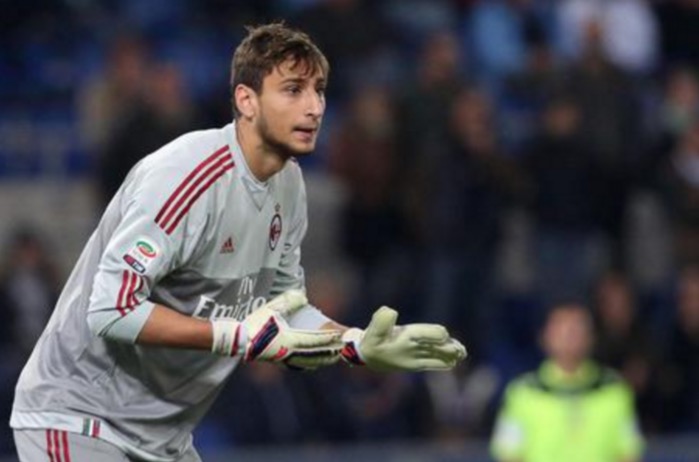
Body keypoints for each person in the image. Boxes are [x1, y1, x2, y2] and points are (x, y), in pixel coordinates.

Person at [10, 23, 466, 462]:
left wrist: (355, 345)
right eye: (293, 90)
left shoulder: (289, 186)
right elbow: (111, 308)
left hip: (163, 440)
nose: (314, 107)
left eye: (319, 90)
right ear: (246, 100)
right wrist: (233, 336)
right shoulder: (185, 176)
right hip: (79, 417)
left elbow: (285, 311)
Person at [490, 302, 644, 462]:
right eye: (561, 329)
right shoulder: (523, 392)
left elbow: (628, 453)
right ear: (544, 336)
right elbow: (509, 454)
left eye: (577, 329)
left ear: (592, 336)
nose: (569, 336)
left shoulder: (614, 389)